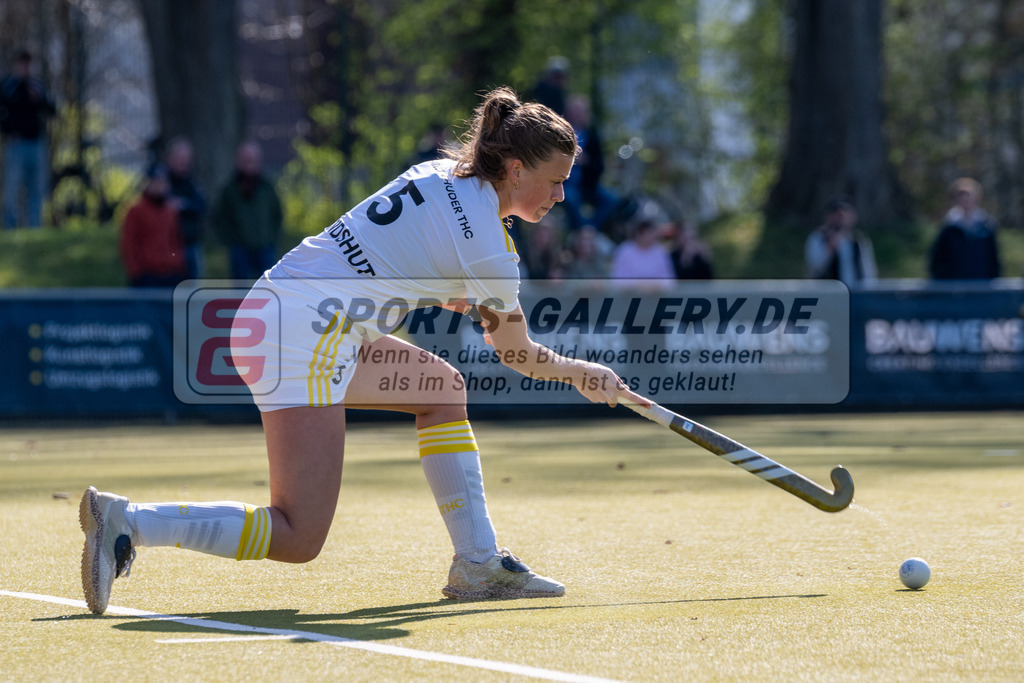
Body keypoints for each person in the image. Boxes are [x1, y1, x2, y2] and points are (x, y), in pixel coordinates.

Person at [80, 87, 649, 614]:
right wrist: (581, 372)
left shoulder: (442, 171)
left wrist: (445, 291)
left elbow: (396, 250)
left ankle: (477, 564)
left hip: (278, 308)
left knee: (442, 389)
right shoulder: (492, 253)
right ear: (517, 168)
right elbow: (516, 352)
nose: (561, 195)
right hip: (308, 334)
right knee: (298, 535)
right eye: (554, 181)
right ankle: (129, 522)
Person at [0, 49, 56, 229]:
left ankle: (35, 227)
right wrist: (7, 132)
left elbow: (51, 110)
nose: (25, 68)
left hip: (36, 143)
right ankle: (10, 227)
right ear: (15, 64)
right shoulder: (7, 85)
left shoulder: (37, 86)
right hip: (15, 145)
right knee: (12, 188)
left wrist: (39, 99)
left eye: (28, 64)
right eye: (22, 64)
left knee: (36, 188)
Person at [213, 141, 283, 282]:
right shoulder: (230, 189)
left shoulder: (267, 187)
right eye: (246, 160)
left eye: (253, 160)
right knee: (241, 290)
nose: (250, 164)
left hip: (265, 248)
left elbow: (277, 214)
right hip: (239, 249)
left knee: (267, 288)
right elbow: (220, 217)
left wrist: (270, 237)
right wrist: (231, 240)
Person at [118, 165, 187, 288]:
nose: (160, 186)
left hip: (170, 273)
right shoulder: (136, 210)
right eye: (156, 182)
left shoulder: (170, 211)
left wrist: (178, 265)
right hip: (147, 274)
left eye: (163, 182)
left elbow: (175, 240)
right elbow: (128, 243)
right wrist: (136, 273)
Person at [561, 94, 617, 232]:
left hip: (587, 184)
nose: (577, 114)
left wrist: (586, 161)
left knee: (611, 200)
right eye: (574, 111)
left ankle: (589, 230)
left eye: (580, 111)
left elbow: (599, 165)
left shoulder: (592, 135)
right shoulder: (560, 132)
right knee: (571, 200)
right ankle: (583, 232)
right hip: (565, 183)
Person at [929, 178, 1001, 280]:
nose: (965, 200)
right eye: (961, 196)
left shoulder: (987, 227)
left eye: (969, 196)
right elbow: (937, 261)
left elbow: (994, 261)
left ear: (976, 198)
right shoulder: (948, 229)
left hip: (982, 288)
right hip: (954, 290)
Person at [804, 197, 877, 287]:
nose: (841, 219)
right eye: (836, 215)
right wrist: (829, 248)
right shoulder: (818, 237)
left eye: (844, 215)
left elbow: (868, 270)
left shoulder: (858, 239)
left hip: (855, 292)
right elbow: (815, 267)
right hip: (828, 291)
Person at [164, 136, 207, 280]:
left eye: (186, 159)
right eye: (180, 159)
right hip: (167, 245)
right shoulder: (161, 181)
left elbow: (202, 206)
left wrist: (183, 205)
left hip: (190, 243)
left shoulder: (192, 183)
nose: (184, 163)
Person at [609, 219, 675, 290]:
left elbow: (670, 280)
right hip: (628, 297)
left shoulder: (661, 252)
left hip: (656, 296)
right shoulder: (624, 251)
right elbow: (617, 279)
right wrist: (638, 285)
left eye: (652, 234)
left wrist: (653, 286)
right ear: (638, 234)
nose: (651, 237)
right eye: (648, 233)